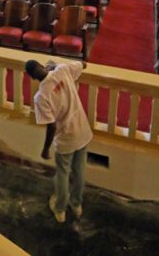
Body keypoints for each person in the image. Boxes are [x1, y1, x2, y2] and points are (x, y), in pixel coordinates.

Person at [25, 59, 92, 223]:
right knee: (79, 170)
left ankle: (60, 209)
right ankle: (76, 205)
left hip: (66, 138)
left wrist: (45, 148)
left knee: (63, 174)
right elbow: (83, 64)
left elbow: (52, 126)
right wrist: (55, 66)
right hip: (82, 131)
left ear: (32, 78)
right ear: (42, 66)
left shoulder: (41, 96)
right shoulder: (62, 70)